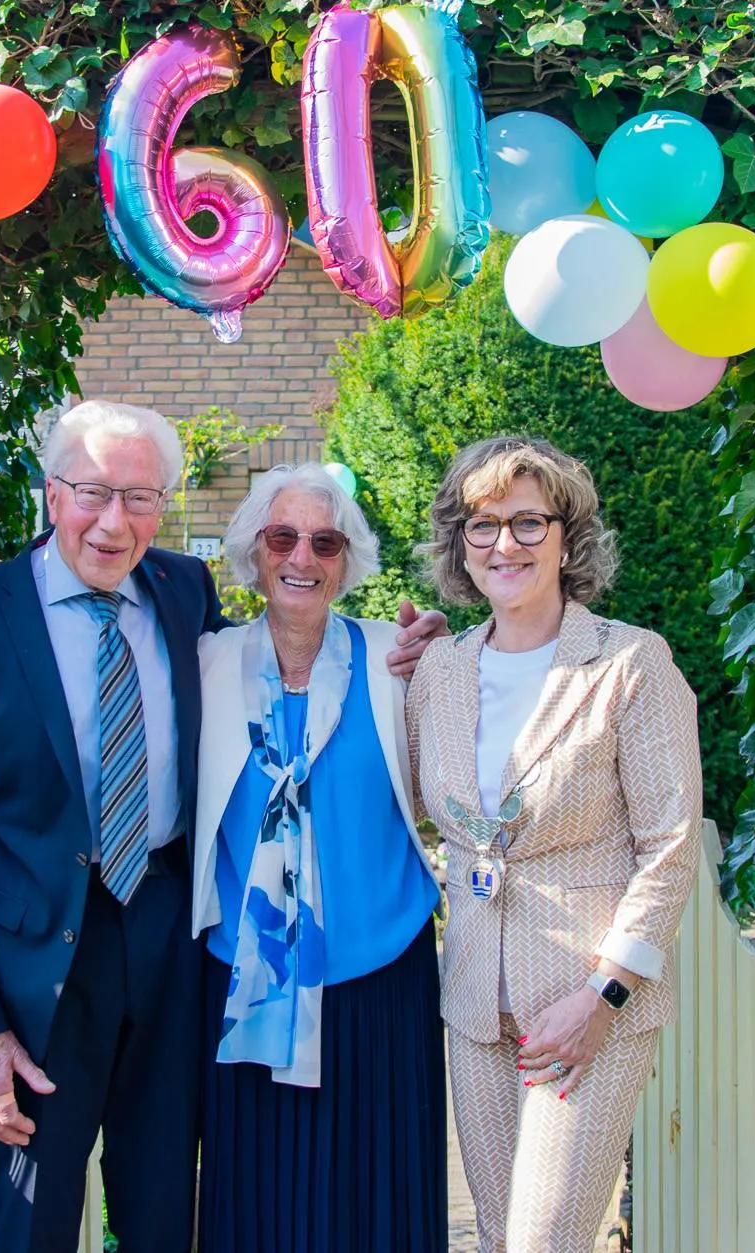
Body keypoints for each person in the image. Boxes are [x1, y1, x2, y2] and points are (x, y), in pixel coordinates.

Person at [0, 402, 445, 1253]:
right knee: (34, 1214)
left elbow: (285, 680)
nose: (114, 522)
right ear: (51, 494)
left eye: (141, 498)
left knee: (161, 1206)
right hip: (43, 969)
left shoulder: (182, 594)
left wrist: (419, 648)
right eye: (93, 492)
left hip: (170, 946)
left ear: (162, 508)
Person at [406, 435, 703, 1253]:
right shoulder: (441, 670)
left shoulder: (629, 662)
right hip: (475, 1001)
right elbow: (409, 800)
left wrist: (605, 995)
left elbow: (669, 846)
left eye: (528, 522)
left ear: (567, 536)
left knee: (545, 1241)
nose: (505, 543)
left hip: (584, 1007)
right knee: (503, 1236)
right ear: (459, 544)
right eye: (482, 523)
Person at [192, 465, 445, 1253]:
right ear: (253, 553)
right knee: (259, 1196)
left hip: (380, 980)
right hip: (249, 981)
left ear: (346, 559)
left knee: (379, 1198)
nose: (303, 556)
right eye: (283, 536)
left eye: (325, 541)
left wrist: (448, 659)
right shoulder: (204, 665)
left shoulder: (397, 659)